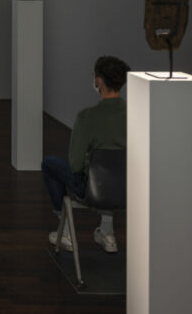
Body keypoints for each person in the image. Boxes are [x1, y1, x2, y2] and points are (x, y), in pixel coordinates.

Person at [42, 55, 131, 253]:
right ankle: (107, 232)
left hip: (93, 190)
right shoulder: (136, 112)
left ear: (98, 81)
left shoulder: (87, 117)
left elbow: (74, 164)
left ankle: (65, 231)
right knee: (113, 169)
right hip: (127, 188)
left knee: (50, 164)